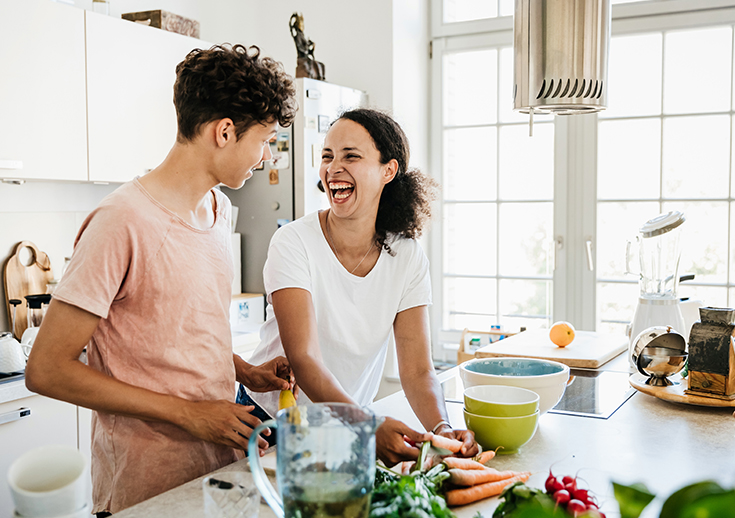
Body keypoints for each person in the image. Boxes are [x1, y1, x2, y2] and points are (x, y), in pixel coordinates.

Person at [24, 44, 298, 515]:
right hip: (146, 484)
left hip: (220, 471)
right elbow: (46, 369)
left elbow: (172, 334)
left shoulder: (218, 211)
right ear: (225, 132)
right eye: (265, 139)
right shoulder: (122, 221)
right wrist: (189, 414)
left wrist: (242, 370)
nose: (267, 156)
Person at [246, 108, 479, 465]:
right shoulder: (293, 242)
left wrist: (442, 429)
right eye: (327, 156)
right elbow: (304, 358)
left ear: (389, 170)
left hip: (347, 426)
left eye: (351, 156)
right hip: (272, 426)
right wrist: (366, 425)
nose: (333, 168)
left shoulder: (406, 255)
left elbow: (417, 370)